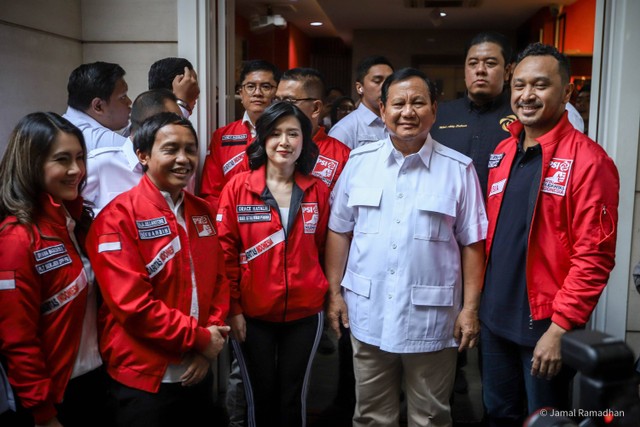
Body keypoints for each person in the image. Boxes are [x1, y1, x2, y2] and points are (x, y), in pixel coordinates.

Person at [325, 68, 488, 427]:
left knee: (430, 416)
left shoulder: (458, 170)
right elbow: (339, 231)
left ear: (434, 109)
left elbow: (473, 244)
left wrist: (470, 310)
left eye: (418, 102)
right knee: (370, 415)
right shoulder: (358, 163)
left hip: (432, 321)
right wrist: (334, 294)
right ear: (382, 110)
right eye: (398, 103)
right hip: (368, 314)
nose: (407, 112)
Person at [480, 43, 619, 426]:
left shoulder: (590, 161)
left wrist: (560, 329)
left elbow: (594, 256)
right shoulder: (504, 151)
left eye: (540, 85)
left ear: (567, 92)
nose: (527, 96)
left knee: (545, 420)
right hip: (495, 319)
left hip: (545, 324)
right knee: (497, 415)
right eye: (519, 85)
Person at [85, 113, 230, 427]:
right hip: (143, 379)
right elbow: (133, 306)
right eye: (171, 149)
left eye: (190, 149)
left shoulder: (202, 211)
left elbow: (218, 280)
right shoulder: (117, 218)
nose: (183, 159)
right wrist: (202, 339)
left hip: (197, 369)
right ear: (143, 155)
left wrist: (208, 343)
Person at [216, 102, 330, 427]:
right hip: (252, 315)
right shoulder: (238, 188)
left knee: (294, 397)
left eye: (293, 133)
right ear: (263, 139)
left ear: (304, 141)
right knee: (258, 397)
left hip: (305, 314)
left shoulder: (317, 190)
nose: (284, 142)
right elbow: (226, 254)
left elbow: (320, 247)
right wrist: (234, 309)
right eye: (276, 133)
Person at [0, 112, 107, 427]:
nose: (76, 170)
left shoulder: (76, 222)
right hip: (53, 397)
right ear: (32, 164)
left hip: (95, 379)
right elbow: (17, 337)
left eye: (79, 158)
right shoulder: (16, 238)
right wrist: (42, 412)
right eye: (62, 160)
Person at [430, 31, 516, 196]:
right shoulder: (439, 114)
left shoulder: (521, 117)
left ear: (507, 71)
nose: (480, 70)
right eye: (473, 63)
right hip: (448, 216)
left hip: (501, 216)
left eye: (490, 63)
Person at [83, 89, 183, 214]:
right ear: (149, 126)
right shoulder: (99, 165)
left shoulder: (178, 169)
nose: (182, 131)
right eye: (174, 124)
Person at [200, 59, 281, 211]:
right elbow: (210, 194)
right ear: (240, 93)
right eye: (250, 87)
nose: (257, 93)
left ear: (277, 92)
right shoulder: (222, 136)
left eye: (266, 86)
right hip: (230, 223)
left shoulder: (287, 136)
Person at [275, 67, 351, 191]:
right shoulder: (266, 147)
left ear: (316, 108)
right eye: (277, 100)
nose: (279, 108)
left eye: (289, 101)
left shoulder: (343, 157)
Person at [63, 61, 132, 152]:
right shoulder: (99, 141)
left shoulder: (65, 124)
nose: (129, 102)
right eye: (123, 97)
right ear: (98, 106)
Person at [328, 55, 394, 149]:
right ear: (360, 88)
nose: (385, 87)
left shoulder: (398, 123)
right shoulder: (344, 130)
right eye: (377, 81)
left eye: (389, 82)